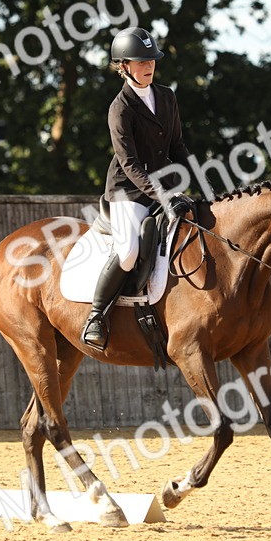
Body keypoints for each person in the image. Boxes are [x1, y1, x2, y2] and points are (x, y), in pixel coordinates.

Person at [82, 27, 196, 351]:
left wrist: (200, 179)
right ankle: (96, 315)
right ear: (124, 66)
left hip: (162, 185)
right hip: (127, 190)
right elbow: (129, 162)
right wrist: (161, 194)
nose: (148, 66)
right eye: (141, 61)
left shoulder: (167, 97)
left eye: (152, 60)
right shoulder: (120, 108)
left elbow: (177, 146)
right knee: (129, 251)